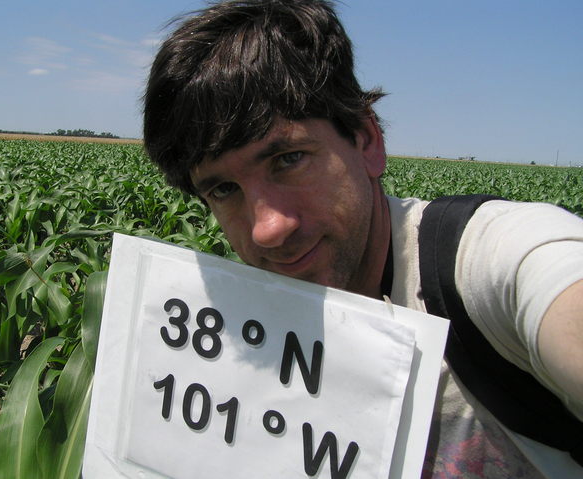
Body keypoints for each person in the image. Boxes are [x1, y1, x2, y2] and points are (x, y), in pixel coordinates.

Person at [142, 1, 583, 477]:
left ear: (367, 141)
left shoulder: (484, 261)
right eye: (224, 189)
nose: (267, 229)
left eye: (288, 159)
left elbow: (550, 280)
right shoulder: (218, 327)